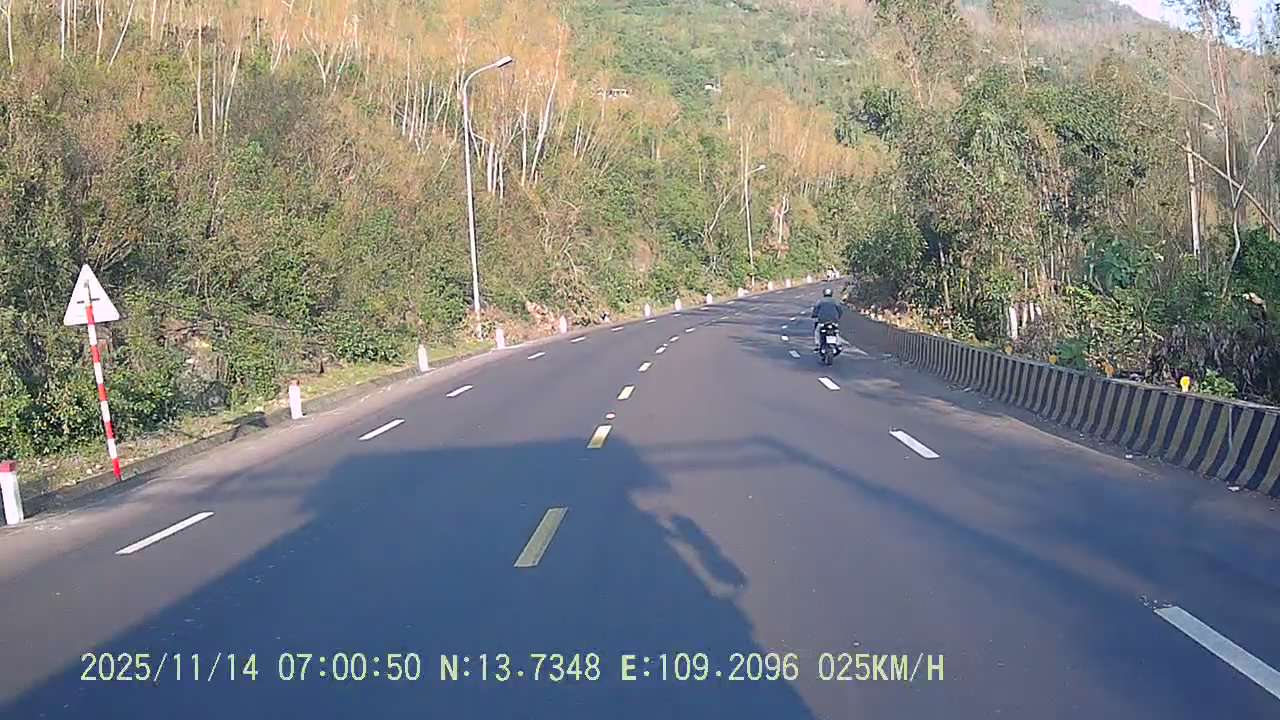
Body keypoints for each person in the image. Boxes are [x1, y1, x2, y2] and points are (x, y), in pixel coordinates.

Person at [811, 287, 845, 351]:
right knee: (836, 331)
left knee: (817, 331)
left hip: (822, 321)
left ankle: (817, 344)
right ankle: (838, 344)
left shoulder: (820, 301)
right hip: (834, 320)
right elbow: (840, 310)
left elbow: (815, 310)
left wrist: (814, 315)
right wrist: (838, 317)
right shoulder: (835, 301)